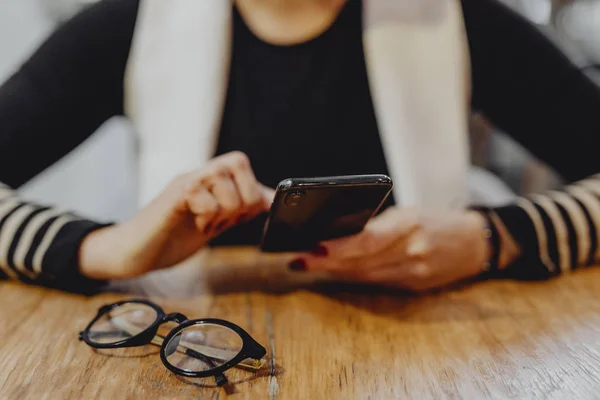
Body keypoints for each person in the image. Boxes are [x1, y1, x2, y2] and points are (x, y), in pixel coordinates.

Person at [1, 0, 600, 295]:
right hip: (190, 357)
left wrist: (492, 239)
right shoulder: (127, 26)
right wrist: (102, 249)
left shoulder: (464, 20)